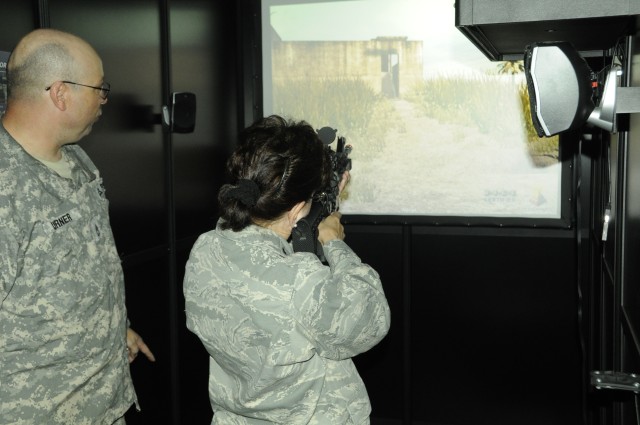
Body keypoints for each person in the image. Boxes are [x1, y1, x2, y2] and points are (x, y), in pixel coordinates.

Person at [183, 115, 391, 424]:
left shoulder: (206, 249)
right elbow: (368, 320)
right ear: (294, 209)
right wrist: (333, 241)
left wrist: (312, 215)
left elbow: (266, 262)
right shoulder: (300, 282)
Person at [0, 28, 155, 424]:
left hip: (102, 402)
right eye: (99, 88)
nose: (104, 99)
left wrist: (113, 327)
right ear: (60, 93)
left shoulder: (77, 160)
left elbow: (76, 267)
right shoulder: (6, 187)